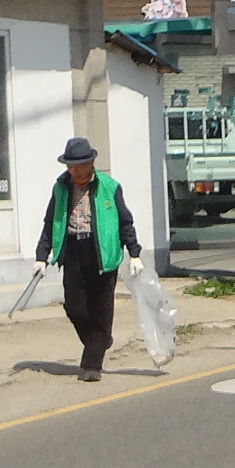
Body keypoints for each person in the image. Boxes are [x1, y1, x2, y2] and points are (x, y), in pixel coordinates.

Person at [33, 137, 143, 382]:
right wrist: (42, 255)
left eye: (78, 166)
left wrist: (134, 253)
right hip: (73, 251)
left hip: (102, 253)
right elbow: (51, 222)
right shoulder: (61, 187)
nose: (73, 171)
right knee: (75, 307)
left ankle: (92, 365)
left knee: (101, 310)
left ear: (91, 163)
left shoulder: (110, 187)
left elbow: (125, 221)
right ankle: (100, 340)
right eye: (69, 166)